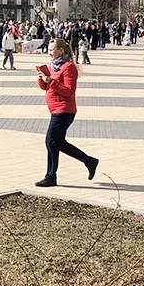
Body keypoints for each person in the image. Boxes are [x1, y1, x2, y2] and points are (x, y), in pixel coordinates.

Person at [34, 38, 98, 188]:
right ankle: (89, 161)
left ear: (61, 51)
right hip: (55, 109)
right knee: (58, 143)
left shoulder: (69, 67)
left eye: (52, 50)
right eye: (49, 50)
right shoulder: (53, 67)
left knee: (51, 141)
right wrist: (41, 79)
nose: (49, 53)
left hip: (64, 110)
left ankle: (51, 176)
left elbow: (69, 91)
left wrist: (50, 80)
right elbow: (46, 88)